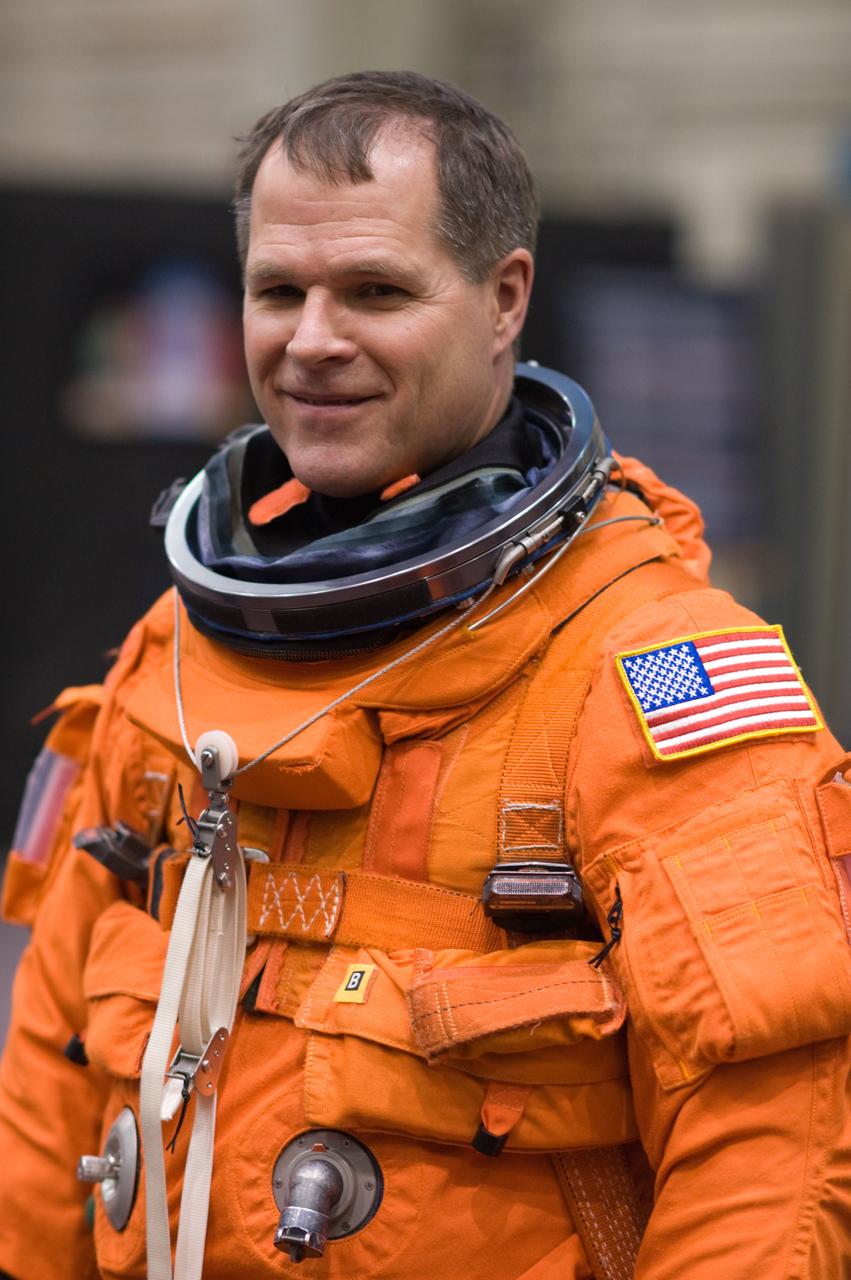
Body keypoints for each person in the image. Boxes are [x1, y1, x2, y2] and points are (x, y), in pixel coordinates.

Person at [1, 69, 850, 1280]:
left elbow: (770, 1140)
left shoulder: (648, 670)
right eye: (277, 290)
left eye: (374, 291)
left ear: (504, 299)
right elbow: (49, 1074)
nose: (311, 340)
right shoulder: (177, 655)